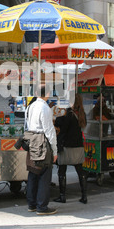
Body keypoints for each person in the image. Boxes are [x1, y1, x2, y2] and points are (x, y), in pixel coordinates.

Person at [24, 85, 58, 215]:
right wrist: (54, 151)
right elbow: (49, 130)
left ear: (37, 93)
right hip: (42, 142)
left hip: (32, 141)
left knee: (33, 172)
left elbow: (26, 126)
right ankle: (42, 206)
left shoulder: (30, 107)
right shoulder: (45, 108)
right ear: (47, 93)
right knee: (44, 174)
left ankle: (31, 204)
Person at [53, 93, 88, 204]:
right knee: (80, 170)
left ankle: (62, 196)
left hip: (67, 147)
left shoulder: (69, 114)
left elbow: (62, 129)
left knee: (62, 171)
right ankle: (84, 196)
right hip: (78, 146)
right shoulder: (82, 114)